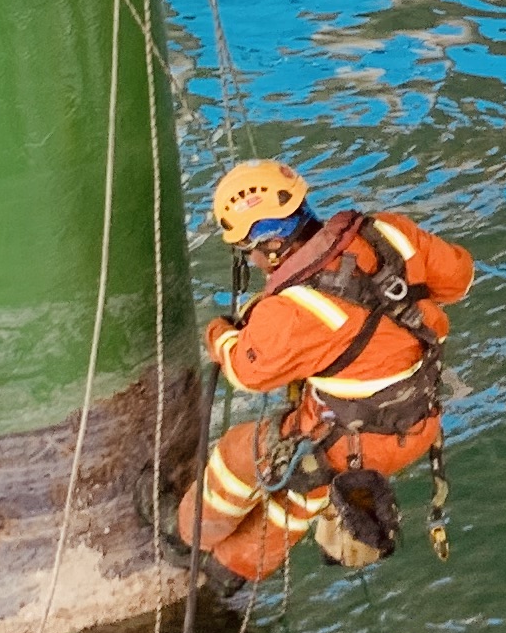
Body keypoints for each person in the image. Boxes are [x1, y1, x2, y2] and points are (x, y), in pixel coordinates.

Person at [175, 158, 476, 598]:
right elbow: (459, 279)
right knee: (301, 494)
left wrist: (220, 333)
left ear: (270, 245)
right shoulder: (387, 232)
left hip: (348, 440)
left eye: (247, 249)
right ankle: (227, 574)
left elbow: (245, 370)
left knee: (240, 454)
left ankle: (184, 536)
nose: (252, 259)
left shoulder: (293, 310)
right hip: (416, 420)